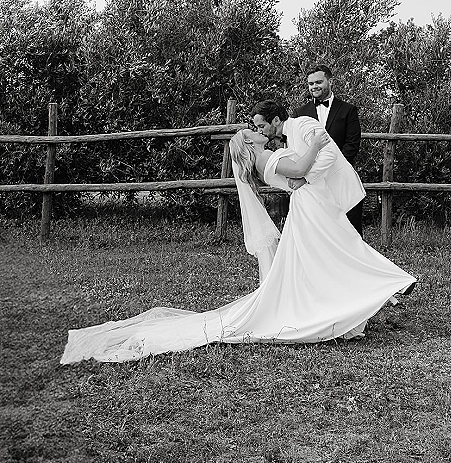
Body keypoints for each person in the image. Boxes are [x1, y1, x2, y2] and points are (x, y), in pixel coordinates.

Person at [60, 129, 416, 364]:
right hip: (309, 209)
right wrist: (319, 146)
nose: (257, 131)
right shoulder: (265, 158)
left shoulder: (263, 159)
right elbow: (302, 168)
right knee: (340, 252)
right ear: (250, 145)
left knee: (331, 257)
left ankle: (364, 301)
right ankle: (388, 284)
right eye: (251, 132)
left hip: (309, 208)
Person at [293, 65, 364, 235]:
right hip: (313, 181)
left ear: (330, 81)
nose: (314, 86)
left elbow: (352, 144)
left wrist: (332, 167)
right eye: (310, 83)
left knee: (349, 227)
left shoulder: (348, 110)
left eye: (318, 82)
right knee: (318, 229)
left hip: (341, 176)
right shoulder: (300, 113)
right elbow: (296, 147)